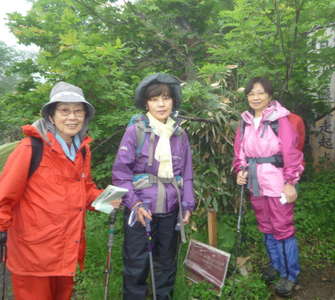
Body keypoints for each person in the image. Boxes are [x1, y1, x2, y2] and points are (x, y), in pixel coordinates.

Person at [0, 81, 121, 300]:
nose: (72, 117)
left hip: (66, 250)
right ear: (51, 115)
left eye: (78, 111)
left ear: (85, 117)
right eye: (64, 111)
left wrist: (104, 200)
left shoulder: (81, 151)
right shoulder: (31, 148)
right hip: (33, 254)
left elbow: (84, 189)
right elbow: (4, 195)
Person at [112, 73, 195, 300]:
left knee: (166, 261)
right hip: (141, 210)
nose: (161, 103)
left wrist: (187, 204)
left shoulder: (180, 134)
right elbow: (120, 174)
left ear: (173, 102)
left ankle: (163, 296)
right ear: (146, 103)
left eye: (166, 98)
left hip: (170, 209)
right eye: (155, 98)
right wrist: (135, 204)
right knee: (137, 262)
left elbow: (187, 174)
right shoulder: (135, 131)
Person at [232, 77, 304, 297]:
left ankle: (290, 275)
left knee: (283, 228)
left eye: (260, 92)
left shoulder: (280, 120)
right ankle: (276, 266)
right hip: (256, 184)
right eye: (252, 93)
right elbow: (240, 152)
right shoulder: (245, 122)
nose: (255, 97)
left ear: (269, 95)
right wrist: (240, 171)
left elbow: (292, 153)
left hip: (278, 183)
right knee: (266, 226)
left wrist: (290, 182)